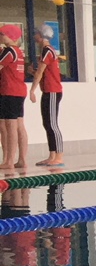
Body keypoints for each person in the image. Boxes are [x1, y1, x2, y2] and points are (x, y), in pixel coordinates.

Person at [29, 32, 61, 167]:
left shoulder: (47, 51)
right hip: (48, 91)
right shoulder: (47, 51)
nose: (34, 36)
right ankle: (52, 155)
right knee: (47, 123)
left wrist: (32, 90)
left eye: (36, 34)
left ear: (42, 36)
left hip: (53, 91)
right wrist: (32, 72)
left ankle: (59, 156)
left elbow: (40, 72)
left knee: (52, 124)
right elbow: (43, 73)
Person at [0, 25, 27, 173]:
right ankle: (22, 159)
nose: (0, 37)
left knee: (10, 126)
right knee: (19, 125)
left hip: (10, 91)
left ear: (11, 36)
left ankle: (9, 161)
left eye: (2, 34)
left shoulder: (9, 51)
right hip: (19, 91)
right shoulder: (18, 51)